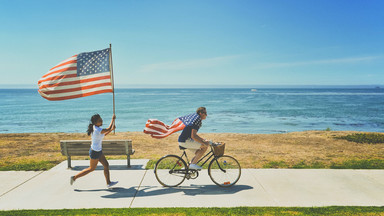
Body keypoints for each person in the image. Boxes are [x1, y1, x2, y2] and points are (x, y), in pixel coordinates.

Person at [70, 114, 118, 188]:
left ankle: (108, 183)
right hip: (95, 152)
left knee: (106, 165)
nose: (101, 121)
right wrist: (113, 119)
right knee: (91, 169)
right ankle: (74, 177)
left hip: (98, 151)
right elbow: (107, 129)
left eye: (101, 119)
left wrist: (111, 129)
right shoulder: (97, 129)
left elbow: (104, 134)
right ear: (95, 123)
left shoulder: (96, 128)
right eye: (99, 120)